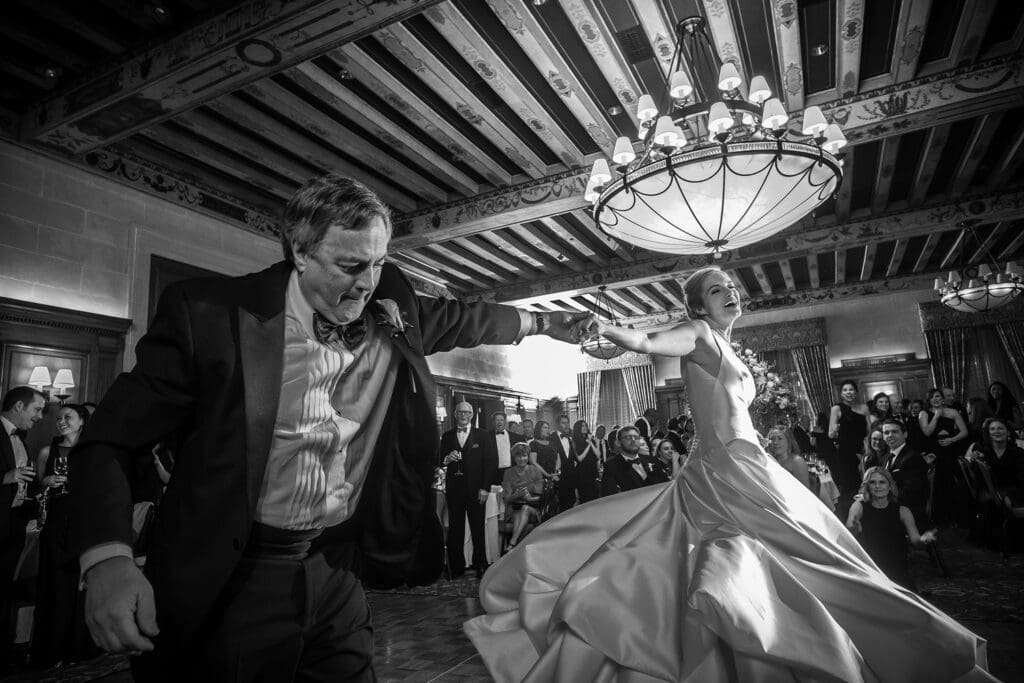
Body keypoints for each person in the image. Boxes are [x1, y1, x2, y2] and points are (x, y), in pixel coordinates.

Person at [69, 174, 592, 682]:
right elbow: (109, 441)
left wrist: (547, 324)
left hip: (337, 565)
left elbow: (467, 320)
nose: (368, 283)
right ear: (299, 252)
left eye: (380, 262)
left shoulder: (391, 307)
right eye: (351, 265)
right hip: (237, 573)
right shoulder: (210, 316)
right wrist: (107, 558)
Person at [464, 266, 992, 682]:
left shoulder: (726, 344)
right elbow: (649, 344)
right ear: (698, 306)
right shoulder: (697, 333)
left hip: (745, 460)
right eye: (718, 291)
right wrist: (608, 328)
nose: (731, 293)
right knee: (768, 557)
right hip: (724, 469)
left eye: (731, 287)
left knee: (797, 552)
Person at [32, 404, 98, 669]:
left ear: (82, 421)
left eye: (67, 417)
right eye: (58, 418)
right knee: (55, 582)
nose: (61, 421)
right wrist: (45, 482)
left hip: (84, 520)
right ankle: (53, 648)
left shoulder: (93, 451)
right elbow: (37, 491)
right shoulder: (47, 452)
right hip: (57, 522)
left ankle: (79, 648)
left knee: (81, 583)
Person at [0, 387, 45, 667]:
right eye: (37, 409)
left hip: (11, 528)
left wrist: (34, 498)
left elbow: (18, 490)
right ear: (19, 406)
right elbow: (9, 478)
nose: (40, 416)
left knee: (4, 592)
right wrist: (6, 476)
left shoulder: (22, 439)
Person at [846, 467, 937, 591]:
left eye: (882, 482)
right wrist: (854, 529)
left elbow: (916, 541)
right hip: (869, 569)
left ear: (890, 486)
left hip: (896, 569)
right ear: (867, 486)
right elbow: (849, 530)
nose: (877, 486)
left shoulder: (903, 511)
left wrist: (923, 539)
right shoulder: (858, 507)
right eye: (872, 482)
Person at [439, 402, 496, 579]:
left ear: (471, 415)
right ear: (454, 415)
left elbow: (490, 462)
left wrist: (485, 488)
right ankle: (456, 566)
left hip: (476, 490)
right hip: (455, 490)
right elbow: (440, 460)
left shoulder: (483, 435)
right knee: (456, 529)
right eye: (459, 412)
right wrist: (447, 459)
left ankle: (481, 564)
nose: (463, 415)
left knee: (477, 528)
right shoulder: (447, 436)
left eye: (466, 412)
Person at [920, 387, 969, 523]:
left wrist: (951, 440)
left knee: (953, 483)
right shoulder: (923, 413)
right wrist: (936, 416)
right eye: (932, 397)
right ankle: (940, 518)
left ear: (942, 398)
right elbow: (927, 432)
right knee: (937, 484)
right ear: (929, 400)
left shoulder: (953, 412)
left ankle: (956, 516)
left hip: (950, 450)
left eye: (938, 397)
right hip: (934, 453)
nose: (936, 399)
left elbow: (964, 432)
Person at [828, 380, 872, 520]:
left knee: (865, 483)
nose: (849, 392)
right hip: (846, 454)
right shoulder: (837, 408)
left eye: (851, 389)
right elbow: (830, 434)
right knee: (850, 486)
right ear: (841, 393)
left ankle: (867, 516)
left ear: (856, 392)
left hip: (864, 450)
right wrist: (836, 429)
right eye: (845, 390)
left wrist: (868, 449)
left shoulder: (864, 408)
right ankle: (852, 518)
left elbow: (869, 431)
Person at [880, 419, 930, 530]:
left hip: (908, 510)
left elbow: (911, 494)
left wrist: (879, 499)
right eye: (886, 433)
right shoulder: (886, 457)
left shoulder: (913, 458)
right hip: (894, 503)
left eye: (895, 432)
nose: (890, 435)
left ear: (905, 434)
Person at [599, 426, 668, 497]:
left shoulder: (653, 460)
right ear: (618, 442)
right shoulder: (611, 466)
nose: (633, 440)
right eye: (628, 438)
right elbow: (609, 497)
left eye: (636, 437)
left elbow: (666, 486)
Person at [500, 443, 545, 550]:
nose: (522, 459)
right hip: (513, 511)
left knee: (524, 509)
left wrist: (528, 499)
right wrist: (516, 495)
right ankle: (515, 549)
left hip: (533, 511)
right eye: (518, 456)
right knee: (518, 515)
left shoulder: (535, 471)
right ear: (514, 457)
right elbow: (507, 499)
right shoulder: (508, 473)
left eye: (524, 455)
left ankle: (512, 543)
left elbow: (540, 498)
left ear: (528, 456)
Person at [766, 425, 810, 490]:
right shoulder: (769, 462)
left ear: (788, 441)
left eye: (780, 438)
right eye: (772, 439)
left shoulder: (797, 462)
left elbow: (805, 491)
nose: (775, 442)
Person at [551, 415, 578, 513]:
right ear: (557, 424)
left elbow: (574, 456)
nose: (566, 425)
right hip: (558, 475)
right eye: (563, 423)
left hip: (571, 474)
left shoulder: (571, 436)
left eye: (567, 423)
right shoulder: (551, 437)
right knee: (560, 503)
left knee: (571, 501)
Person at [489, 411, 523, 487]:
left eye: (501, 420)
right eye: (497, 420)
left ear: (505, 421)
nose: (499, 422)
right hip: (494, 472)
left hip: (511, 471)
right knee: (495, 496)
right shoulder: (487, 436)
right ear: (493, 422)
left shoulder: (515, 437)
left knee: (511, 494)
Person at [570, 420, 600, 504]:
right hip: (582, 473)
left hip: (592, 471)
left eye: (586, 425)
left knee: (595, 497)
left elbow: (598, 455)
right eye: (582, 426)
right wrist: (588, 445)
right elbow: (579, 458)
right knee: (586, 499)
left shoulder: (590, 440)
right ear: (578, 428)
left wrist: (591, 443)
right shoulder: (574, 441)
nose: (585, 427)